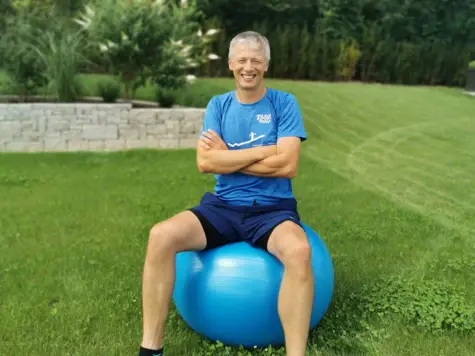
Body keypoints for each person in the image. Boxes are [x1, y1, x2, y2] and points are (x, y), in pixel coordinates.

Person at [138, 31, 314, 356]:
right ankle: (150, 350)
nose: (249, 67)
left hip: (272, 210)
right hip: (223, 206)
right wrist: (265, 151)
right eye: (243, 60)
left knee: (300, 251)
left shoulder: (284, 103)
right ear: (231, 64)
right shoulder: (217, 106)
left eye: (256, 60)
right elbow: (206, 162)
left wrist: (228, 156)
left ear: (266, 65)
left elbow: (287, 165)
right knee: (160, 235)